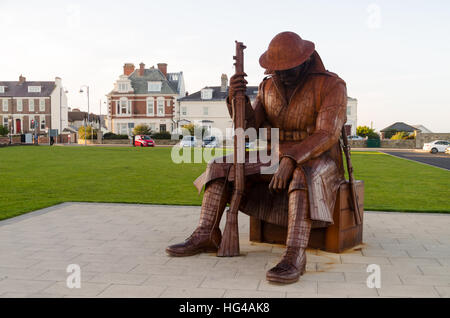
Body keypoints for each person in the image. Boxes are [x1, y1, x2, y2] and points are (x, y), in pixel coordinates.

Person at [166, 31, 348, 284]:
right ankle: (207, 233)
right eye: (277, 70)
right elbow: (249, 127)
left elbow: (327, 133)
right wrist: (235, 98)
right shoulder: (268, 86)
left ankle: (295, 252)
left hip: (319, 157)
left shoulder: (331, 85)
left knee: (302, 174)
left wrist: (292, 158)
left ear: (305, 61)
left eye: (288, 69)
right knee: (219, 165)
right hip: (275, 154)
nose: (281, 75)